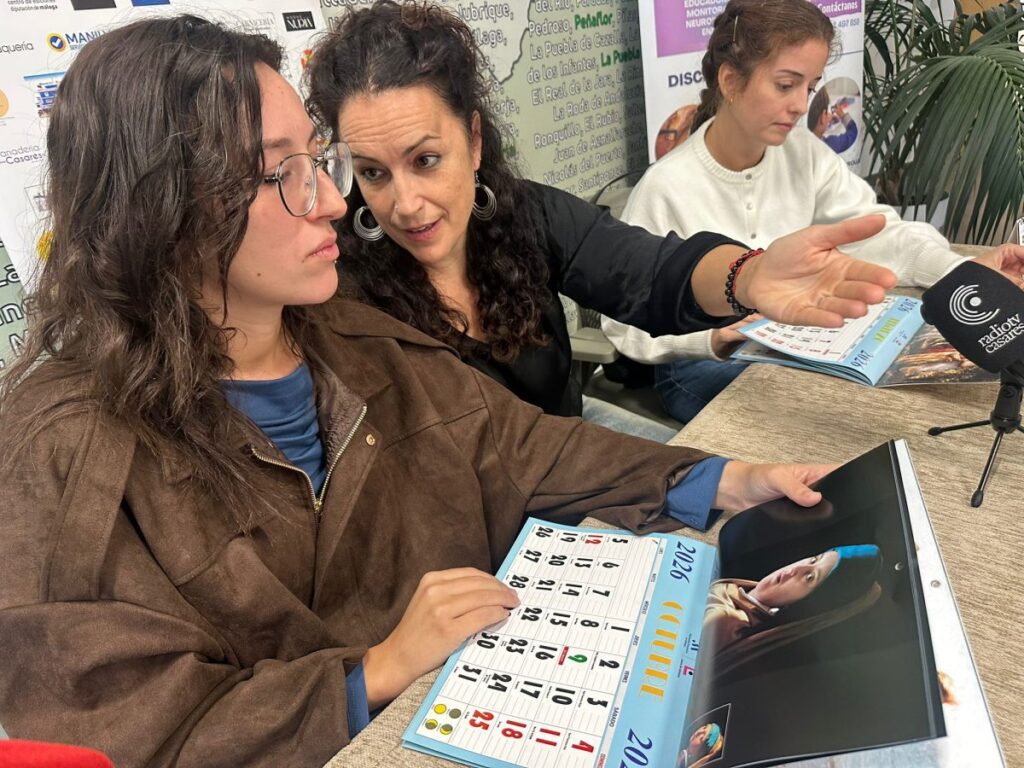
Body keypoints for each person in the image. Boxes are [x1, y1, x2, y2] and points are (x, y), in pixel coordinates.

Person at [0, 15, 861, 767]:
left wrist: (724, 478)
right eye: (282, 173)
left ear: (474, 143)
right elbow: (121, 725)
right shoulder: (66, 450)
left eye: (318, 161)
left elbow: (524, 443)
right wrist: (373, 670)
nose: (333, 203)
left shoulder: (357, 338)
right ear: (162, 209)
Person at [305, 0, 899, 433]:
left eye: (426, 161)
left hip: (572, 444)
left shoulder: (529, 214)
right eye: (373, 173)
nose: (405, 204)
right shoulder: (346, 293)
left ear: (475, 141)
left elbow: (646, 269)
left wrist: (748, 274)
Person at [602, 0, 1024, 424]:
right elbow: (624, 323)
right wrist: (714, 337)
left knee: (933, 365)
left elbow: (879, 232)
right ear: (730, 81)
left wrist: (967, 276)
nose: (802, 106)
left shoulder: (802, 153)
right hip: (702, 363)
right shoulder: (666, 187)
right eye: (786, 85)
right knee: (838, 407)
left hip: (791, 338)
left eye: (809, 87)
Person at [704, 545, 883, 677]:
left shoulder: (724, 620)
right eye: (814, 559)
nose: (796, 569)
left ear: (804, 604)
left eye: (810, 577)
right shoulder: (740, 592)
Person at [809, 86, 858, 154]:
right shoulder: (832, 144)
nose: (830, 114)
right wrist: (843, 116)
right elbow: (853, 132)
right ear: (823, 118)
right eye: (827, 112)